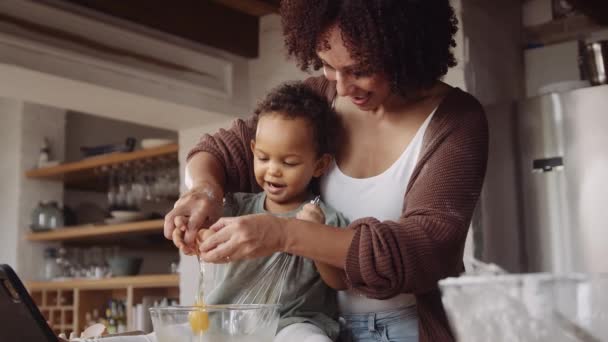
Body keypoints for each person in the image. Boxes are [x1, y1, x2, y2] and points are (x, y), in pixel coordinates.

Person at [165, 1, 488, 341]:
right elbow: (219, 150)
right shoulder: (320, 98)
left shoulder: (457, 121)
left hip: (407, 328)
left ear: (403, 52)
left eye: (360, 69)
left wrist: (283, 233)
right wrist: (203, 192)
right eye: (327, 65)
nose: (343, 87)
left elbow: (426, 250)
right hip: (317, 327)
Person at [174, 82, 349, 342]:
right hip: (225, 322)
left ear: (320, 165)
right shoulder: (234, 208)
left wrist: (314, 235)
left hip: (291, 325)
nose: (273, 170)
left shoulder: (325, 217)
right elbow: (203, 234)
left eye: (289, 162)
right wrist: (190, 232)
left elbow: (339, 282)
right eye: (264, 158)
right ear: (253, 150)